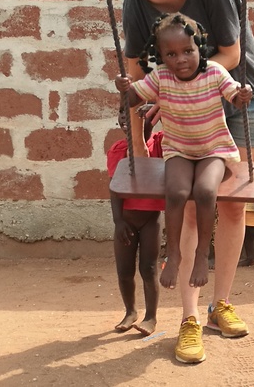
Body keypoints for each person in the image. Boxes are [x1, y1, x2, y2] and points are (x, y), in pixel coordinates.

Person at [104, 0, 254, 362]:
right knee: (195, 210)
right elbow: (137, 70)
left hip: (238, 98)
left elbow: (232, 54)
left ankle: (222, 304)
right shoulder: (136, 2)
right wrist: (140, 137)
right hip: (178, 113)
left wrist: (184, 90)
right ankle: (190, 317)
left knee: (235, 206)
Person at [115, 13, 252, 363]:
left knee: (205, 193)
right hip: (178, 150)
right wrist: (126, 90)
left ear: (199, 47)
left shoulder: (214, 73)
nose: (181, 60)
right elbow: (134, 102)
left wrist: (242, 96)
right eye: (171, 54)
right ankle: (173, 255)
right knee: (175, 193)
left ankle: (201, 262)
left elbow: (233, 97)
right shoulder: (160, 77)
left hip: (214, 150)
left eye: (187, 51)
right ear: (161, 56)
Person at [108, 103, 165, 336]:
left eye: (143, 115)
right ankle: (130, 311)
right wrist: (118, 221)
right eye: (124, 114)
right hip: (126, 220)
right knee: (124, 270)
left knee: (149, 268)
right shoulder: (118, 150)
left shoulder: (160, 144)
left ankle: (151, 317)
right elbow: (113, 187)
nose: (129, 118)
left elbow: (173, 130)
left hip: (151, 219)